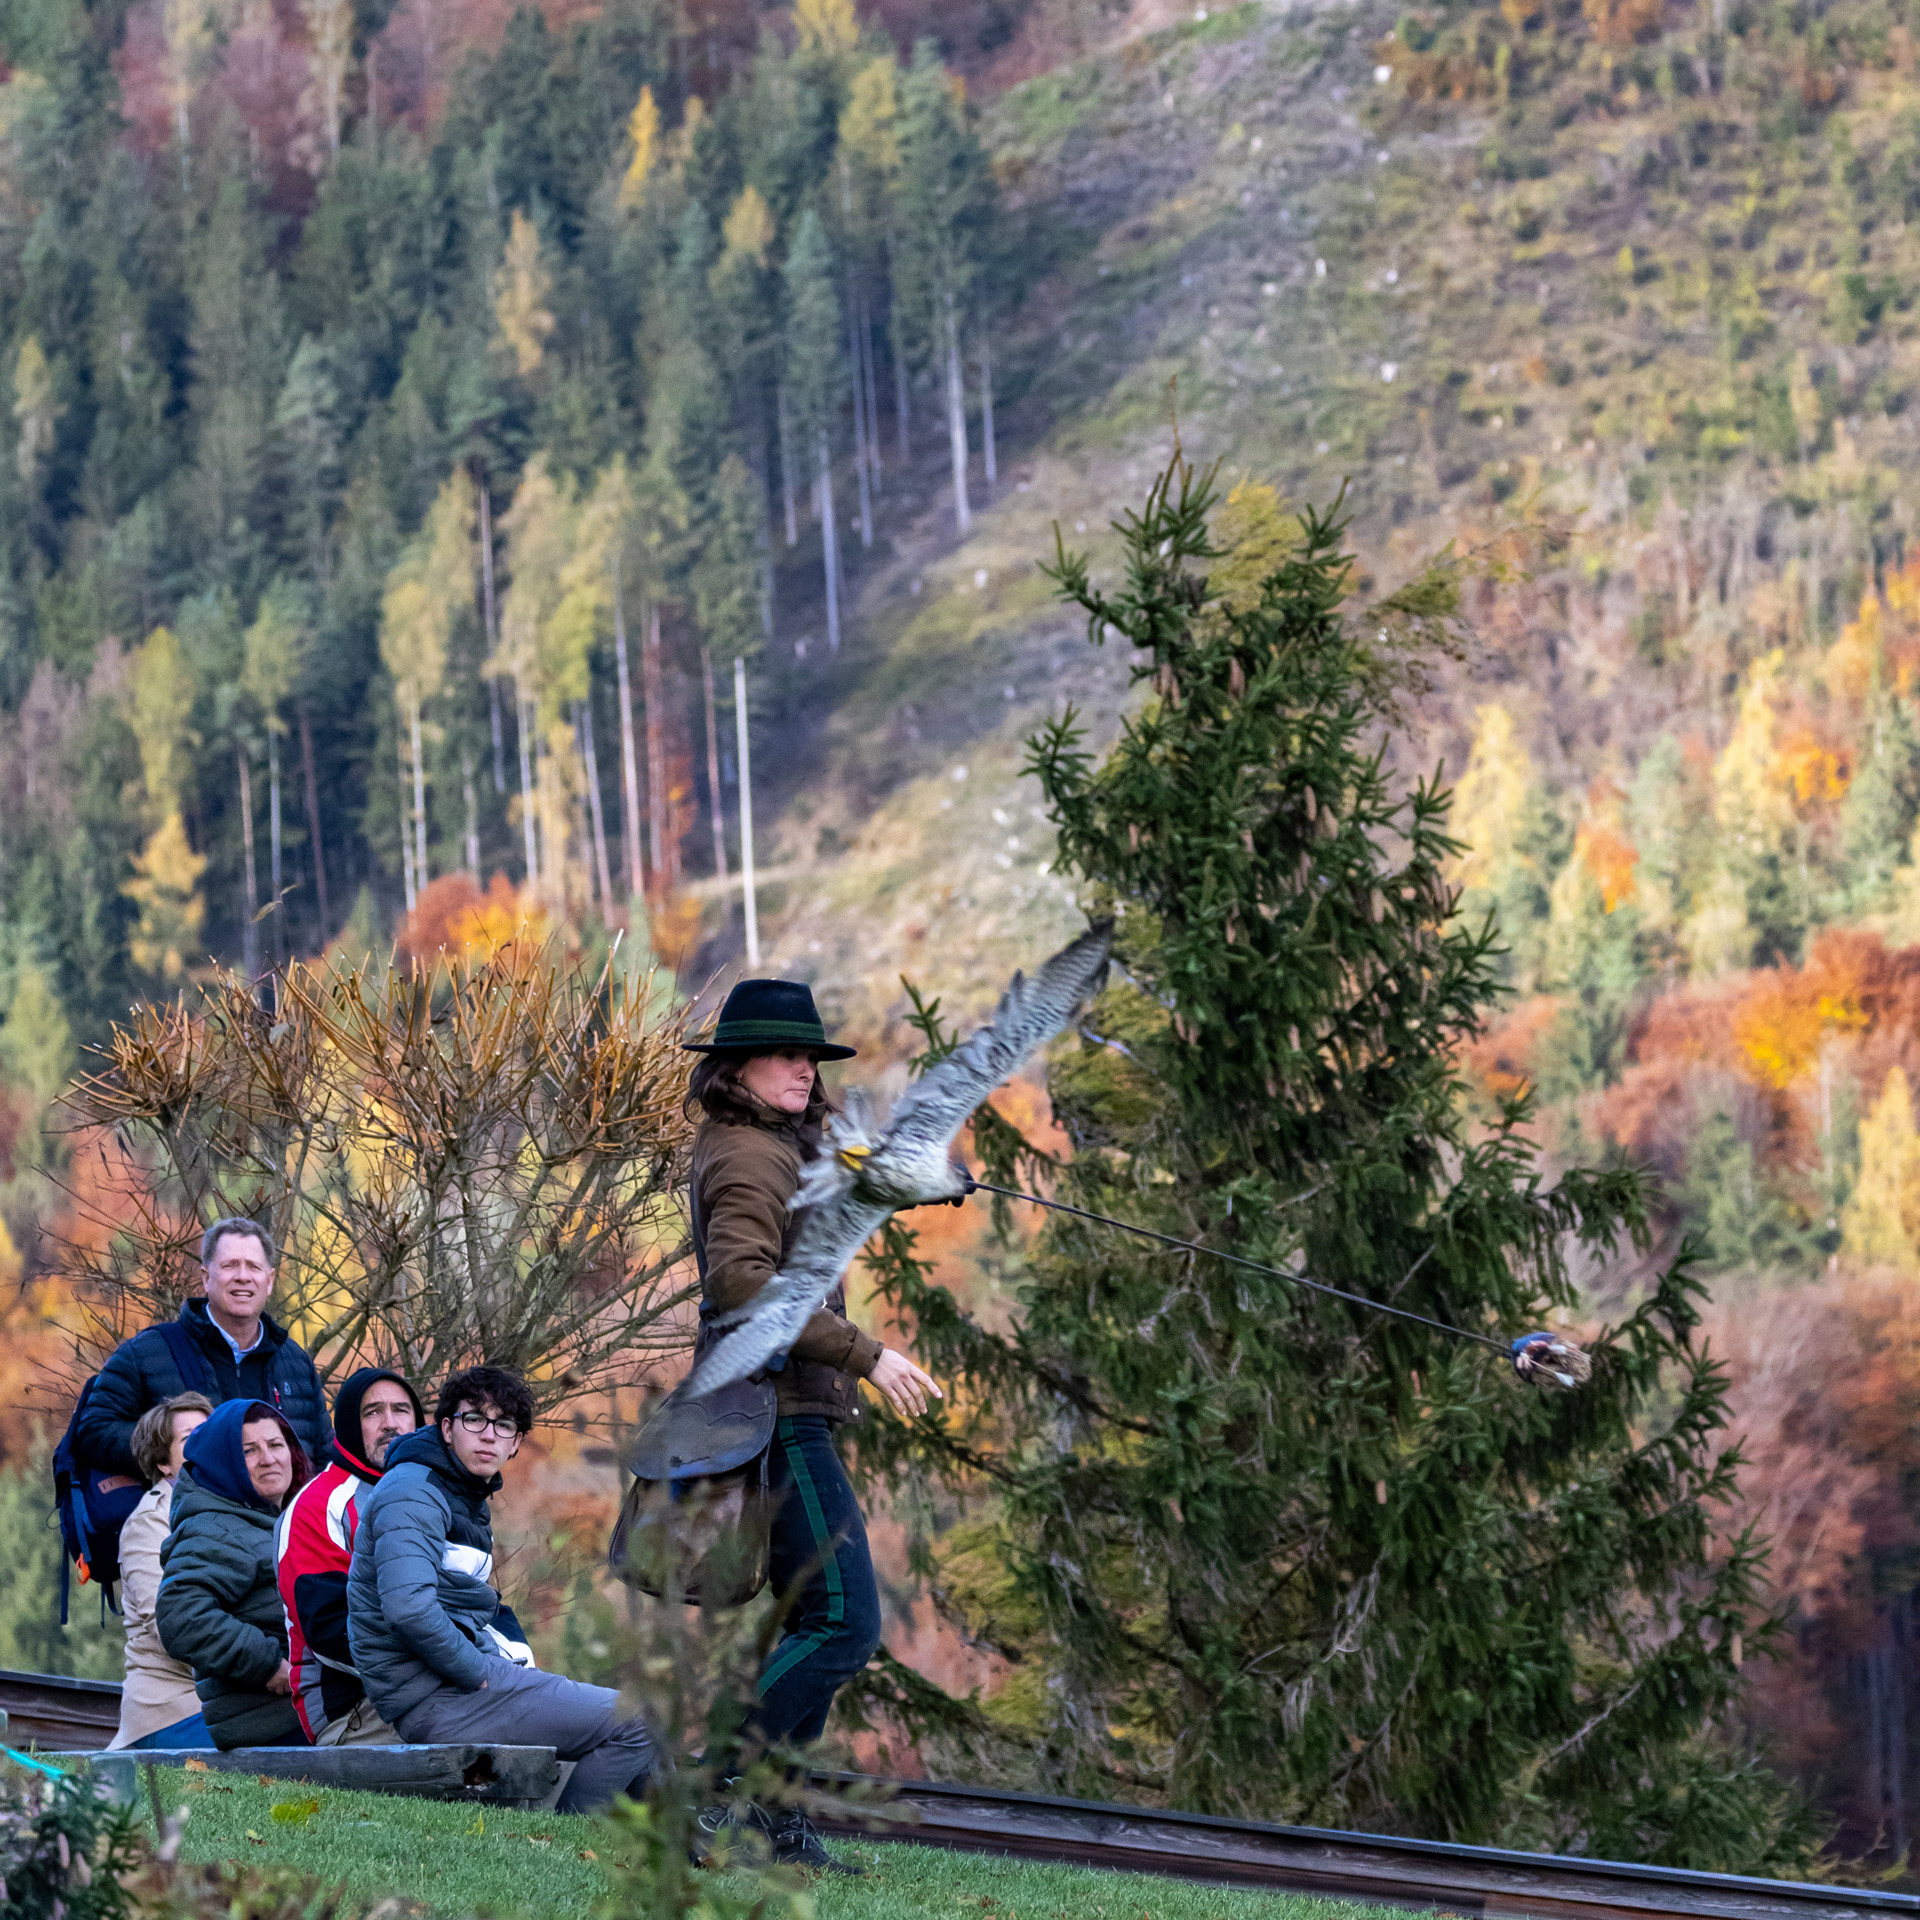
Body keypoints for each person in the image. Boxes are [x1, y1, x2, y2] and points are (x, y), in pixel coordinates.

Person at [683, 977, 941, 1873]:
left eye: (811, 1058)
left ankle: (775, 1822)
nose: (805, 1070)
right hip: (778, 1410)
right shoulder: (747, 1154)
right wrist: (868, 1354)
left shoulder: (779, 1143)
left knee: (813, 1619)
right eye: (787, 1056)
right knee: (844, 1622)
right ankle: (712, 1788)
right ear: (739, 1067)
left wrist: (929, 1180)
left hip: (788, 1407)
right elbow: (739, 1283)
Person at [347, 1365, 654, 1814]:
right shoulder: (414, 1490)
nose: (489, 1435)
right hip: (440, 1698)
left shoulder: (457, 1492)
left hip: (451, 1688)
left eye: (504, 1425)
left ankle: (678, 1847)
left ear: (515, 1443)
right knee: (637, 1723)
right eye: (474, 1419)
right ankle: (574, 1842)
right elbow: (408, 1608)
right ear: (447, 1428)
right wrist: (477, 1670)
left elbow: (464, 1605)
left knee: (648, 1735)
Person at [74, 1218, 330, 1479]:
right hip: (185, 1505)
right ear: (206, 1278)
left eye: (253, 1267)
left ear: (270, 1280)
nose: (243, 1277)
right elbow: (93, 1431)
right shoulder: (147, 1352)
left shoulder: (296, 1363)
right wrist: (171, 1445)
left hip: (286, 1507)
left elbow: (325, 1459)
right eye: (230, 1265)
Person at [277, 1368, 424, 1745]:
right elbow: (329, 1631)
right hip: (353, 1708)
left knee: (554, 1715)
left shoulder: (437, 1496)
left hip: (436, 1686)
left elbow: (480, 1603)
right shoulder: (318, 1505)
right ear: (347, 1425)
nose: (390, 1423)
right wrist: (445, 1668)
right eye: (372, 1412)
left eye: (401, 1410)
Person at [157, 1399, 313, 1750]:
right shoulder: (216, 1526)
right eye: (249, 1451)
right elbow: (180, 1617)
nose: (268, 1459)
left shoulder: (274, 1519)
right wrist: (268, 1665)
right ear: (224, 1463)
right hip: (271, 1723)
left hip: (300, 1711)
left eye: (276, 1445)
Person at [108, 1391, 214, 1750]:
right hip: (173, 1707)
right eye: (190, 1438)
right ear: (164, 1463)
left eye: (210, 1431)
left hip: (228, 1698)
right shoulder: (148, 1523)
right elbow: (168, 1627)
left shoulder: (238, 1506)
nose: (206, 1443)